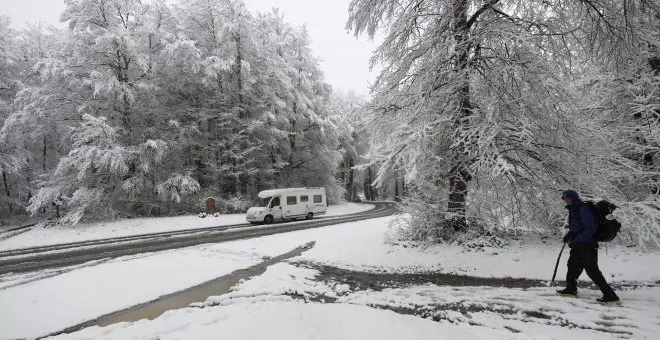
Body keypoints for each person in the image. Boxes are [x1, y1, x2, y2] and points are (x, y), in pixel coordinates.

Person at [557, 190, 620, 304]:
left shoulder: (583, 209)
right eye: (564, 199)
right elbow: (577, 227)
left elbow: (590, 228)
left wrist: (577, 239)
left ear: (574, 198)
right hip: (578, 245)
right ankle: (571, 289)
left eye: (568, 198)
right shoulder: (573, 209)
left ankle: (611, 296)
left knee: (592, 271)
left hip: (587, 245)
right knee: (572, 266)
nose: (566, 200)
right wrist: (570, 234)